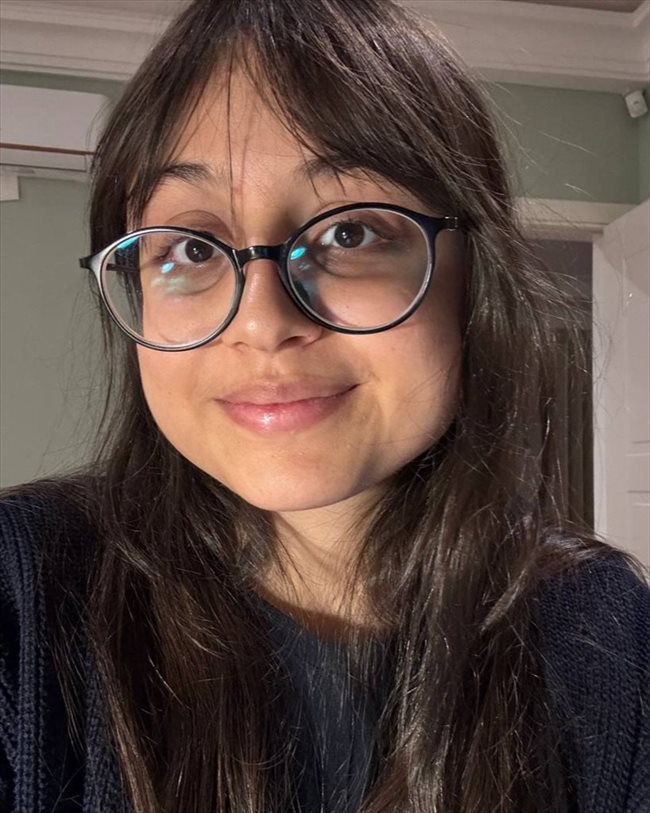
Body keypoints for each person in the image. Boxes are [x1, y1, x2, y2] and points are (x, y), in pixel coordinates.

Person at [1, 0, 648, 811]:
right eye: (193, 248)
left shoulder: (604, 633)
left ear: (473, 280)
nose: (263, 321)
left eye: (350, 234)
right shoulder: (21, 597)